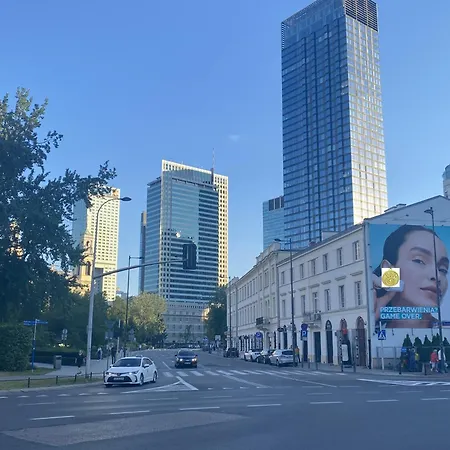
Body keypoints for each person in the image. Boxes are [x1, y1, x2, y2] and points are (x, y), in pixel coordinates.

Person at [373, 225, 449, 328]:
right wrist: (370, 319)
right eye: (419, 261)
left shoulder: (445, 330)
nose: (437, 276)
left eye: (443, 269)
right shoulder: (376, 326)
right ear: (388, 270)